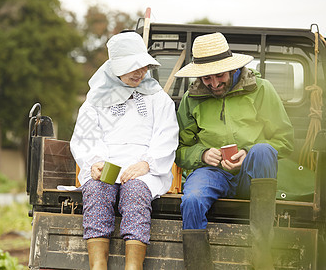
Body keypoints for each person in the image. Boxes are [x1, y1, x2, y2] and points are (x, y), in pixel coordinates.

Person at [174, 32, 294, 269]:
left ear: (232, 68)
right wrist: (202, 154)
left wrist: (248, 153)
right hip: (211, 172)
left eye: (220, 75)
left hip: (253, 173)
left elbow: (285, 141)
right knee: (192, 200)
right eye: (207, 78)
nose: (215, 83)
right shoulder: (191, 98)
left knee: (262, 150)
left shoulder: (261, 89)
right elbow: (179, 149)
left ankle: (262, 258)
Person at [70, 31, 179, 270]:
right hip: (107, 164)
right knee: (96, 191)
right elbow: (85, 136)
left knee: (135, 193)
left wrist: (147, 163)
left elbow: (167, 135)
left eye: (143, 67)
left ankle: (133, 267)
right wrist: (95, 161)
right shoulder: (95, 100)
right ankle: (97, 265)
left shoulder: (158, 99)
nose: (140, 73)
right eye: (132, 67)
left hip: (142, 167)